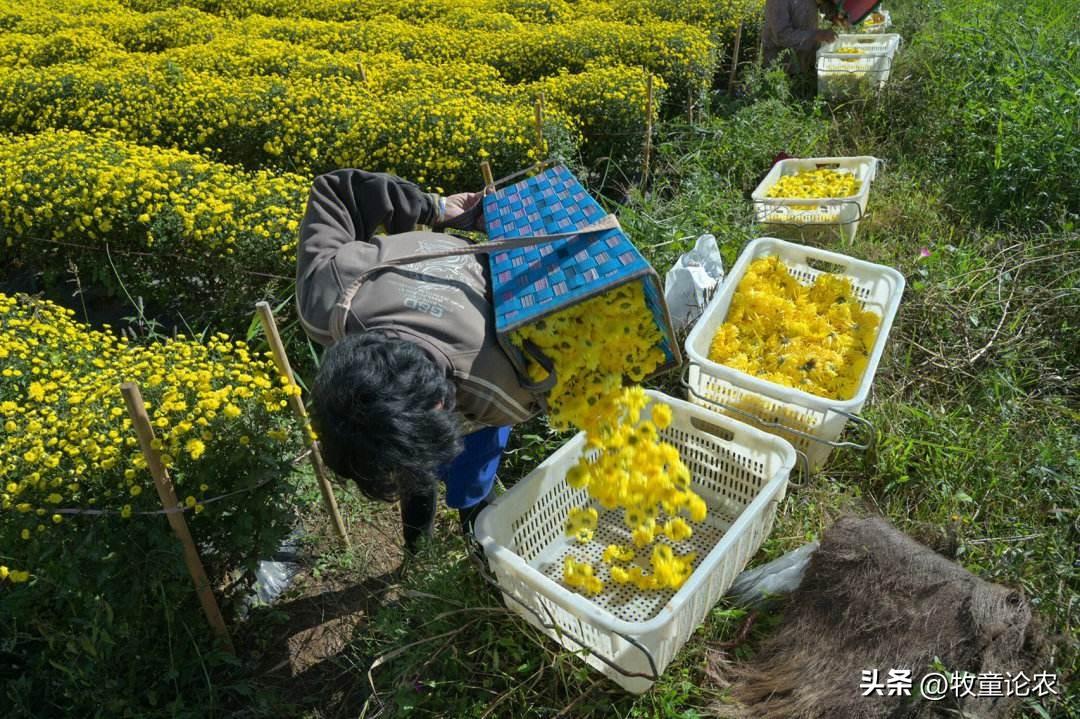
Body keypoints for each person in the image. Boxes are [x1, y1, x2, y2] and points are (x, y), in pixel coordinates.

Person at [295, 169, 543, 553]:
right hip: (455, 368)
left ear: (443, 405)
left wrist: (446, 213)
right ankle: (417, 543)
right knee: (412, 467)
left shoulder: (499, 388)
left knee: (472, 475)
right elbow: (337, 191)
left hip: (481, 359)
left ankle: (477, 534)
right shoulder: (329, 297)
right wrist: (434, 207)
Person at [762, 0, 847, 95]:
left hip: (809, 63)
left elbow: (822, 5)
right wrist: (817, 35)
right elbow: (782, 36)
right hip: (782, 70)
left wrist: (835, 16)